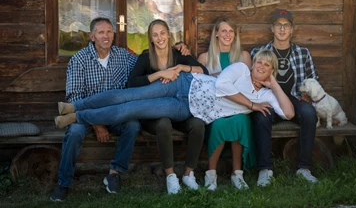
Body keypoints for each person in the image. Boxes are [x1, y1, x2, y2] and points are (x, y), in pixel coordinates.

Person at [55, 50, 295, 189]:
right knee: (128, 95)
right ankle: (76, 105)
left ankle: (79, 116)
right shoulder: (241, 69)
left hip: (186, 108)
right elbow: (221, 85)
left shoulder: (265, 93)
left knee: (131, 110)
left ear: (272, 69)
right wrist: (252, 105)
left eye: (267, 65)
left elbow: (288, 113)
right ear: (253, 64)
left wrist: (273, 84)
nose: (261, 66)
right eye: (259, 62)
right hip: (184, 83)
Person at [50, 17, 141, 202]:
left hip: (114, 115)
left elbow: (146, 62)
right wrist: (97, 123)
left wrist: (178, 47)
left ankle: (114, 173)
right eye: (101, 32)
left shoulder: (123, 56)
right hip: (85, 116)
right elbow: (74, 97)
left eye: (109, 32)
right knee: (74, 132)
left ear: (113, 35)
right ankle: (63, 183)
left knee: (132, 125)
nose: (106, 36)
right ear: (92, 36)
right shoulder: (80, 59)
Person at [126, 19, 208, 194]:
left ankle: (188, 173)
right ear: (151, 38)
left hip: (178, 110)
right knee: (163, 123)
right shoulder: (145, 57)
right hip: (155, 114)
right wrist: (159, 74)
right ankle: (170, 176)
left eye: (162, 33)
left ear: (169, 34)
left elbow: (204, 71)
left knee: (198, 124)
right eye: (155, 35)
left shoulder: (178, 54)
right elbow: (131, 83)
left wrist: (183, 68)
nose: (160, 38)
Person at [251, 9, 319, 185]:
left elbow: (313, 79)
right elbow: (250, 78)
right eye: (278, 25)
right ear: (272, 28)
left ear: (292, 29)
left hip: (295, 98)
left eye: (286, 25)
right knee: (260, 117)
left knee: (309, 114)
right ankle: (265, 170)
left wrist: (308, 96)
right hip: (268, 98)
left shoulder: (303, 53)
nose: (282, 29)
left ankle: (304, 168)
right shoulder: (259, 52)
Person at [197, 18, 254, 190]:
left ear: (235, 35)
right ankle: (211, 174)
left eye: (231, 31)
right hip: (215, 109)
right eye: (223, 31)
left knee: (240, 121)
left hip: (238, 107)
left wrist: (219, 78)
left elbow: (248, 85)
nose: (227, 35)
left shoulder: (243, 56)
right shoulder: (205, 58)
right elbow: (200, 86)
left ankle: (237, 174)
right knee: (220, 124)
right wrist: (225, 79)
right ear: (216, 33)